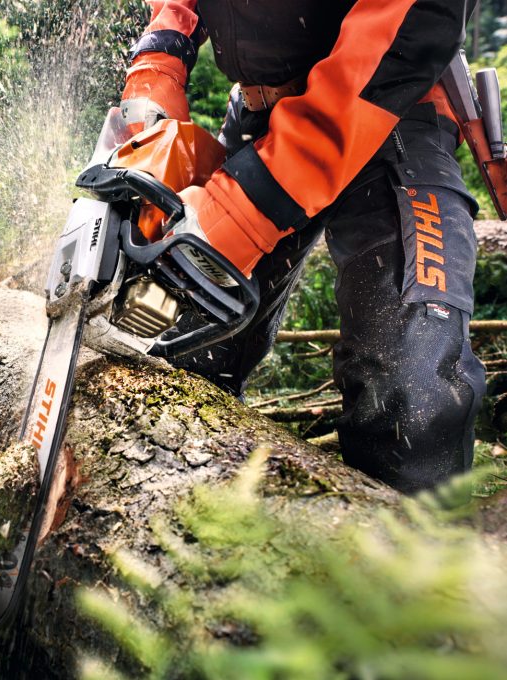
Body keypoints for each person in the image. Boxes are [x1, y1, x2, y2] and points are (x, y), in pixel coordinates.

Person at [122, 0, 486, 493]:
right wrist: (162, 56)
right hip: (260, 116)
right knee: (179, 346)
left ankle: (407, 559)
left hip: (390, 108)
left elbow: (413, 17)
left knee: (412, 398)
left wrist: (245, 208)